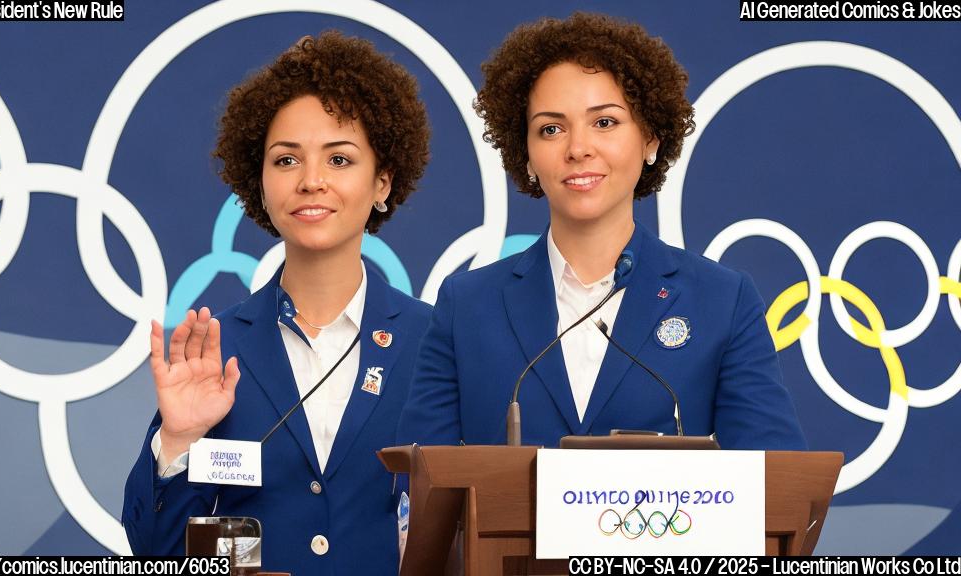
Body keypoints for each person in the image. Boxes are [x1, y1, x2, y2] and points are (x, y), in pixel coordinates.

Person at [396, 13, 805, 450]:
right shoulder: (467, 306)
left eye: (604, 122)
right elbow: (420, 490)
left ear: (650, 139)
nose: (578, 148)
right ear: (527, 156)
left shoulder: (723, 300)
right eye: (551, 129)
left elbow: (773, 482)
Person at [122, 31, 432, 575]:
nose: (311, 181)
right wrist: (180, 440)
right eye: (286, 161)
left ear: (382, 181)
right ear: (260, 184)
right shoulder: (216, 349)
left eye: (339, 159)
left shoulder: (436, 341)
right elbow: (157, 552)